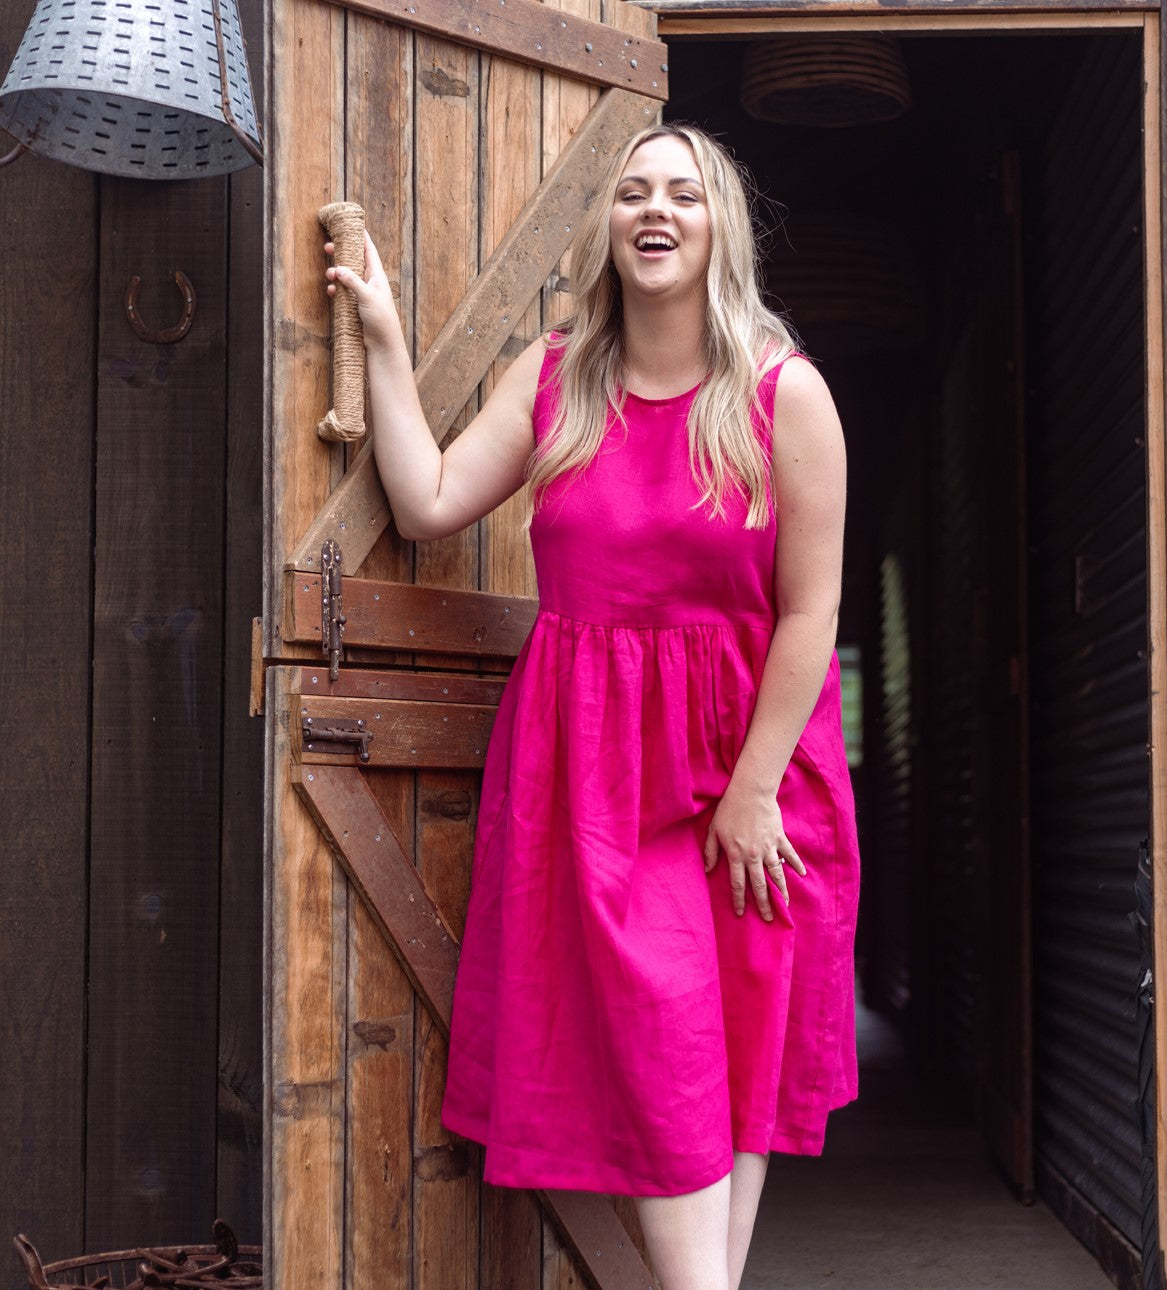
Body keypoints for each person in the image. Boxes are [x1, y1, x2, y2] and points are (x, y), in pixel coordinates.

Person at [325, 121, 861, 1290]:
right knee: (665, 1047)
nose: (654, 210)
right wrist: (382, 338)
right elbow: (425, 501)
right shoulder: (557, 376)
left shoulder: (785, 395)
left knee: (739, 1064)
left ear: (722, 227)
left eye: (683, 192)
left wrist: (757, 791)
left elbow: (813, 614)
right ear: (607, 228)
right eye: (631, 193)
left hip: (749, 768)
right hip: (596, 770)